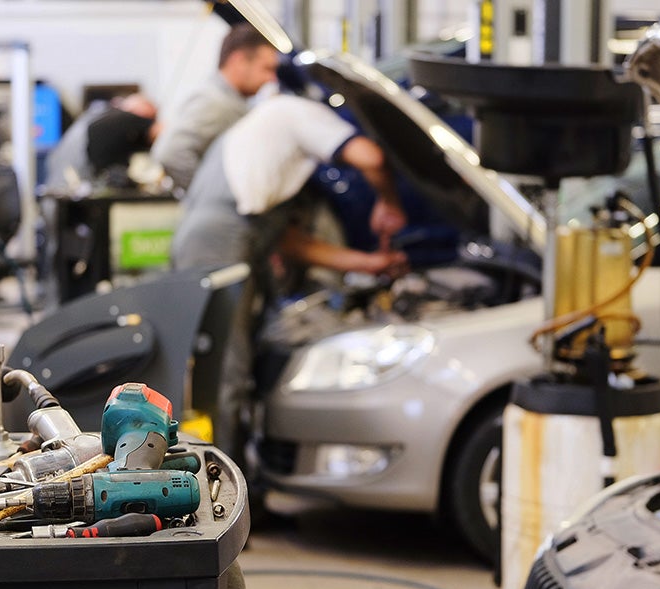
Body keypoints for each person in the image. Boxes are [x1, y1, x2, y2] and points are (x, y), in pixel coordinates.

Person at [172, 93, 407, 462]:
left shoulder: (265, 139)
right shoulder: (298, 114)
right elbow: (371, 157)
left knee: (235, 365)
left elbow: (292, 243)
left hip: (215, 240)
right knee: (227, 372)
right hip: (220, 244)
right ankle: (222, 486)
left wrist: (368, 263)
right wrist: (388, 203)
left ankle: (238, 470)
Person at [151, 23, 280, 191]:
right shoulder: (214, 102)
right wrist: (211, 198)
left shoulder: (226, 100)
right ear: (239, 61)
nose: (271, 79)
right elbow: (170, 153)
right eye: (266, 69)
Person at [44, 93, 160, 191]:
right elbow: (159, 131)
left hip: (57, 190)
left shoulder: (95, 117)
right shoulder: (124, 118)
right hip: (68, 193)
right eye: (152, 115)